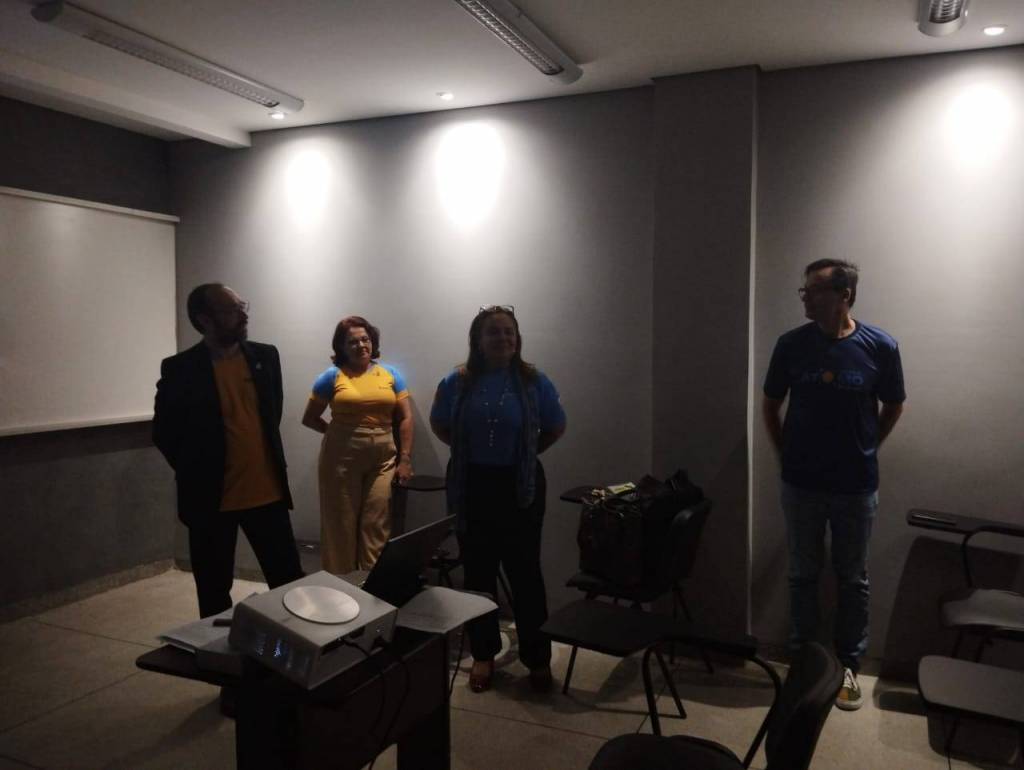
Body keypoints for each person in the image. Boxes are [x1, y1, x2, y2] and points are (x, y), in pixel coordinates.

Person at [762, 259, 905, 711]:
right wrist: (785, 454)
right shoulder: (791, 344)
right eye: (803, 290)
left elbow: (893, 404)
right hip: (801, 484)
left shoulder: (880, 346)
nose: (805, 297)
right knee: (802, 575)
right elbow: (770, 405)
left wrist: (868, 446)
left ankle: (847, 667)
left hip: (855, 487)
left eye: (814, 290)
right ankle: (803, 663)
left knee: (852, 579)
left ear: (844, 295)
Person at [430, 305, 566, 693]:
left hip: (520, 487)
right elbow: (440, 423)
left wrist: (523, 455)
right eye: (493, 332)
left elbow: (556, 426)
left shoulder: (534, 380)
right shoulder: (457, 381)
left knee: (526, 574)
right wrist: (470, 452)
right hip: (472, 486)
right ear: (477, 339)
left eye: (509, 332)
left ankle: (537, 658)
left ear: (517, 339)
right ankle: (484, 654)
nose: (503, 338)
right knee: (478, 574)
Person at [153, 284, 304, 619]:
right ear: (205, 319)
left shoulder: (266, 357)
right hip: (210, 501)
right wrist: (198, 469)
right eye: (232, 309)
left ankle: (295, 647)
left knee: (288, 583)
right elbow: (164, 432)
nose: (243, 315)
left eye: (242, 305)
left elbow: (272, 415)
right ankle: (217, 651)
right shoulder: (180, 369)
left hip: (267, 495)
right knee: (213, 593)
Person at [302, 316, 414, 574]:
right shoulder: (331, 376)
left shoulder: (391, 374)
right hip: (340, 458)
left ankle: (371, 584)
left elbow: (406, 418)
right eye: (353, 342)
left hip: (384, 457)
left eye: (365, 339)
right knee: (340, 523)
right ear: (341, 347)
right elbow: (309, 418)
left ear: (373, 342)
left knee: (377, 521)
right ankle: (341, 585)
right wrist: (339, 434)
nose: (361, 345)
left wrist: (405, 459)